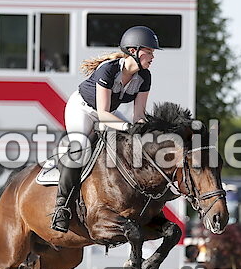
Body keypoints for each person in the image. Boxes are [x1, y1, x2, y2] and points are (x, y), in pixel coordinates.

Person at [51, 25, 160, 233]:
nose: (153, 56)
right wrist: (128, 127)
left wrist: (144, 131)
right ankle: (61, 207)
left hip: (109, 113)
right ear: (133, 51)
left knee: (133, 143)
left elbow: (139, 116)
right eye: (149, 51)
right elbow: (102, 115)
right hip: (83, 109)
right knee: (79, 148)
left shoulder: (145, 77)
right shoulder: (108, 70)